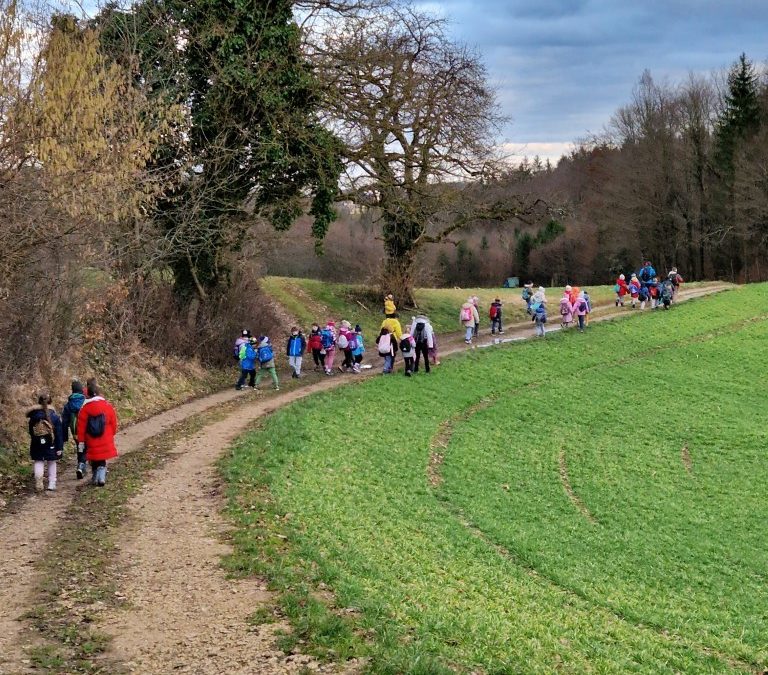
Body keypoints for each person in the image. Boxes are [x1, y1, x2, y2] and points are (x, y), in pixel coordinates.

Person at [76, 379, 118, 487]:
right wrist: (112, 433)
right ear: (99, 393)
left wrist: (81, 441)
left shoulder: (84, 409)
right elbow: (113, 422)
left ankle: (95, 478)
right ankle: (101, 477)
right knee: (102, 458)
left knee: (94, 458)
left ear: (88, 395)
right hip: (105, 437)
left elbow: (80, 427)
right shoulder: (107, 406)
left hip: (91, 438)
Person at [27, 393, 63, 492]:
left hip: (36, 444)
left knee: (38, 461)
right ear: (50, 402)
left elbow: (31, 432)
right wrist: (59, 447)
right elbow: (59, 434)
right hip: (51, 444)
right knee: (51, 462)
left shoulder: (33, 418)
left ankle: (39, 482)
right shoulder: (54, 417)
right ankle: (52, 483)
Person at [61, 380, 87, 479]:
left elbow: (64, 422)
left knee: (80, 446)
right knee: (86, 447)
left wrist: (64, 437)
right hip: (86, 430)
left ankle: (81, 465)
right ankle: (82, 465)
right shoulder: (85, 402)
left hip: (75, 431)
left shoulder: (68, 405)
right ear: (81, 390)